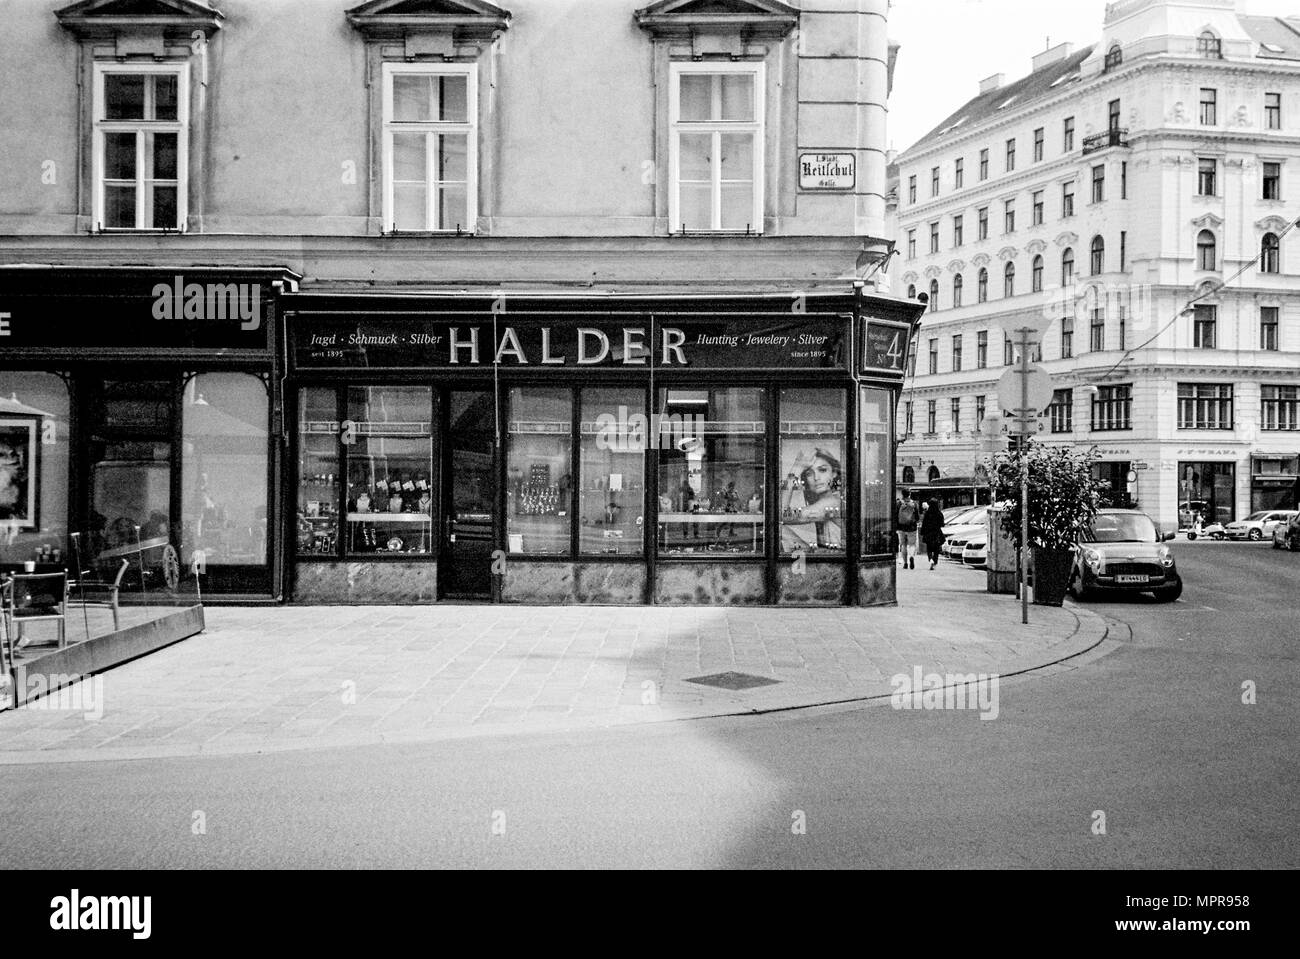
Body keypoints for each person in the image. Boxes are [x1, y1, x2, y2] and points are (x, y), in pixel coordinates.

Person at [781, 447, 843, 551]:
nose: (816, 478)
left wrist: (796, 469)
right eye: (809, 473)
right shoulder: (829, 500)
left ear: (834, 473)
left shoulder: (831, 503)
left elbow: (781, 515)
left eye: (822, 470)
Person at [896, 489, 919, 569]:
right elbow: (917, 516)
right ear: (910, 494)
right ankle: (911, 556)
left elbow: (896, 515)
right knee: (912, 544)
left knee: (903, 545)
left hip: (901, 527)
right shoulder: (914, 503)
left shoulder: (899, 503)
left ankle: (905, 563)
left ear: (902, 494)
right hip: (912, 527)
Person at [920, 497, 945, 569]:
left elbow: (924, 523)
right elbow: (942, 524)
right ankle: (935, 561)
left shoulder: (927, 513)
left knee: (929, 548)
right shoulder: (939, 513)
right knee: (937, 548)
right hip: (937, 532)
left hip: (928, 532)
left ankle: (930, 558)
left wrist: (923, 532)